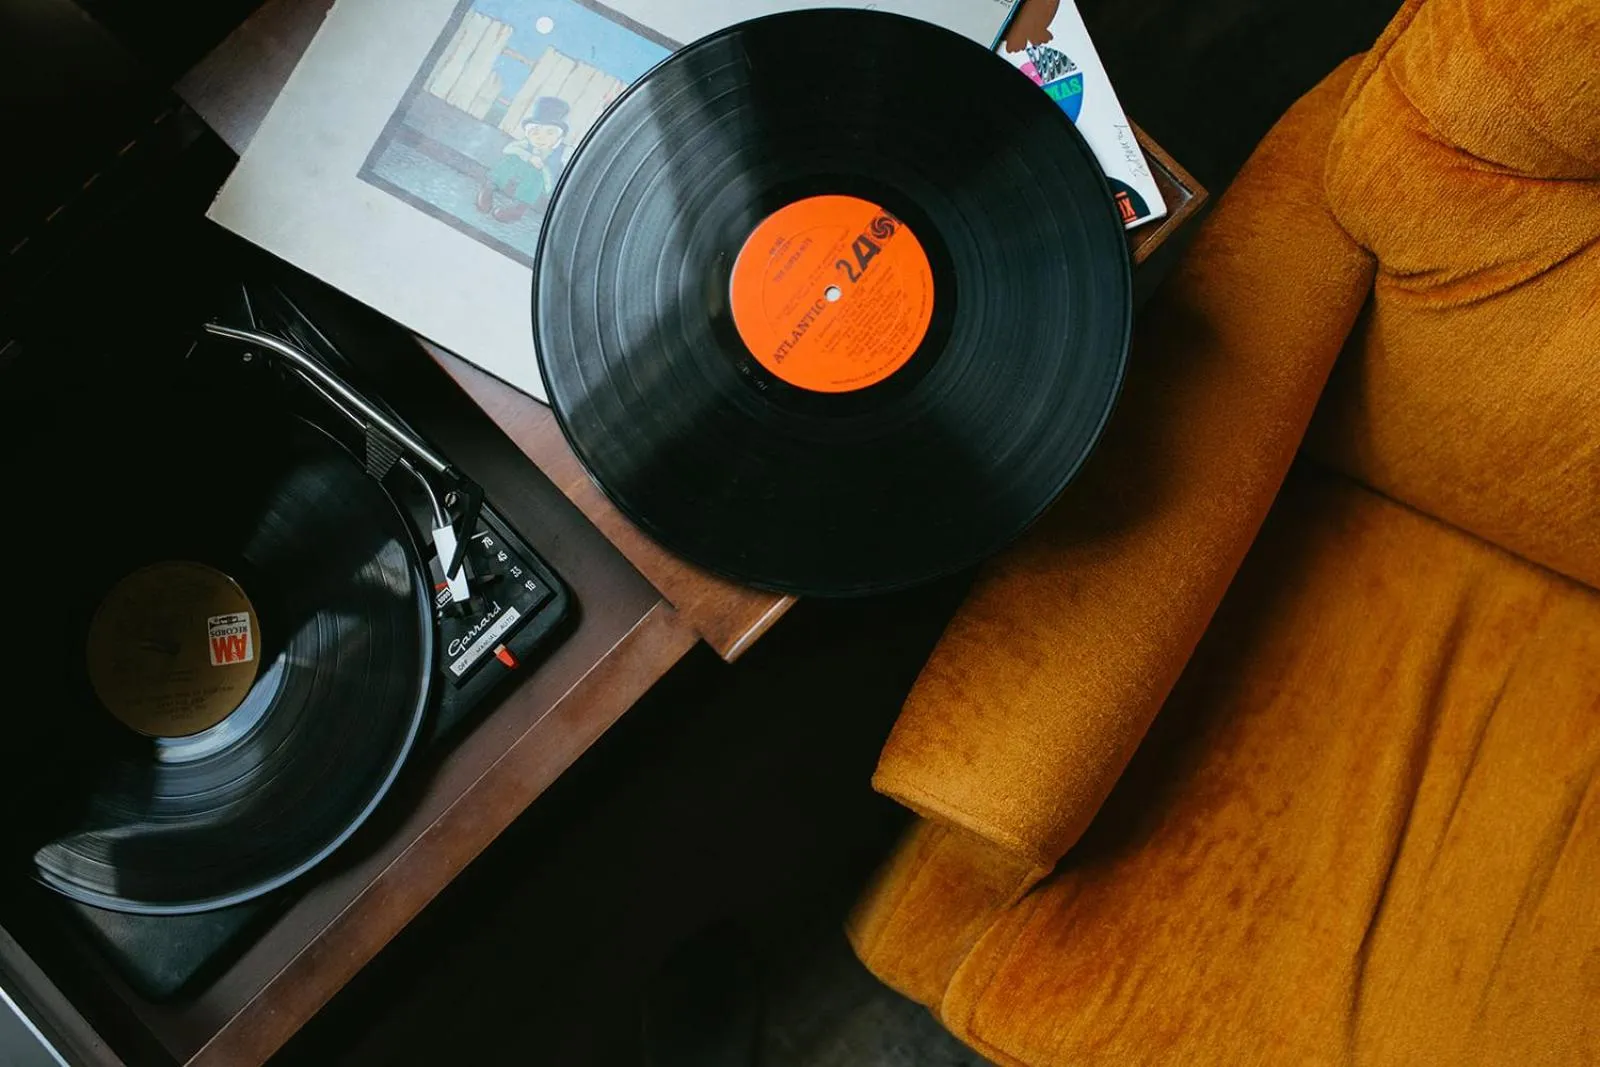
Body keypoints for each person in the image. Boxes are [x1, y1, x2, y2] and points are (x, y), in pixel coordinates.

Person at [476, 96, 569, 223]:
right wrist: (528, 157)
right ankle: (488, 188)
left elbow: (553, 174)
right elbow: (509, 149)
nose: (541, 138)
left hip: (540, 178)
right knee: (510, 161)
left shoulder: (558, 153)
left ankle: (519, 209)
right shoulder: (525, 144)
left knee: (536, 180)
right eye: (536, 133)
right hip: (519, 169)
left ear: (559, 137)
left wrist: (545, 174)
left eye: (549, 133)